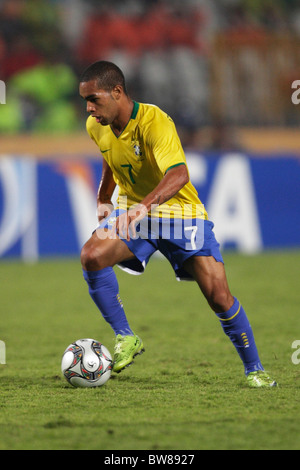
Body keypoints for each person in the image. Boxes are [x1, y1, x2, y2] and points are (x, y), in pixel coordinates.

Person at [79, 60, 277, 388]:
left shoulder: (154, 121)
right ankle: (126, 337)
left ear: (117, 92)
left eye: (95, 99)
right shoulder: (96, 125)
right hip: (135, 211)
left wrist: (142, 208)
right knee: (92, 255)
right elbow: (109, 156)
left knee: (218, 295)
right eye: (85, 100)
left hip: (179, 214)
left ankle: (254, 368)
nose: (89, 108)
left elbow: (179, 174)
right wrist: (104, 196)